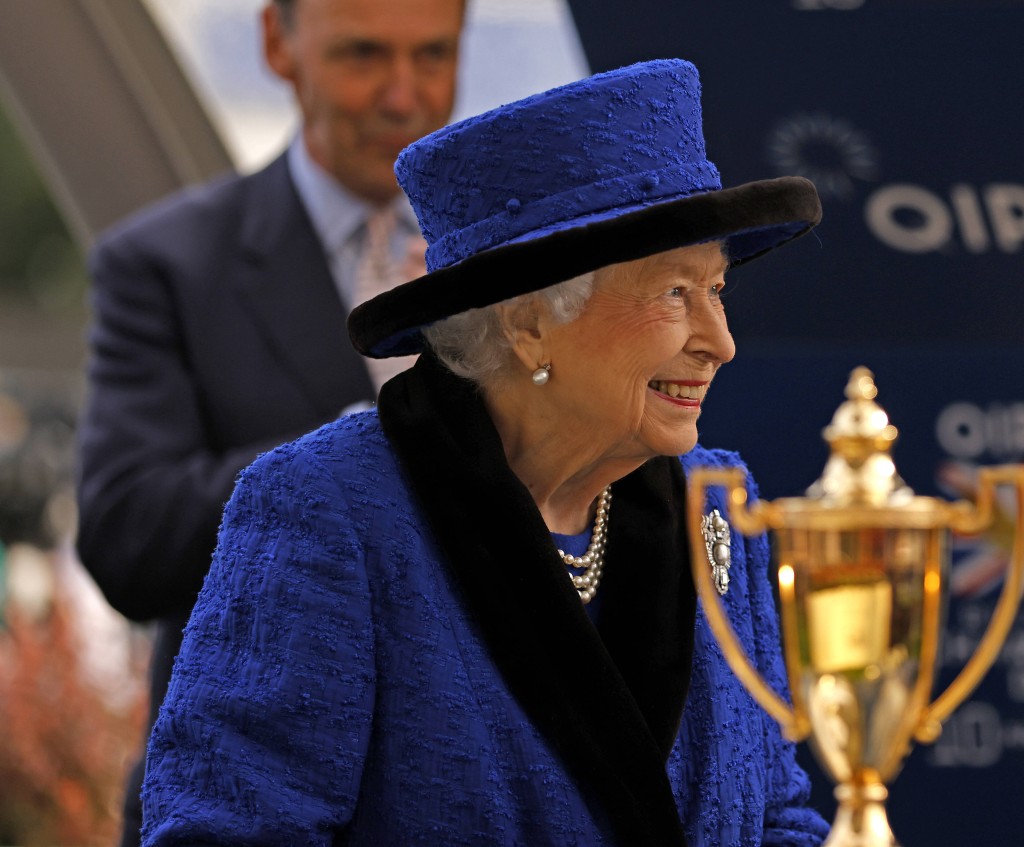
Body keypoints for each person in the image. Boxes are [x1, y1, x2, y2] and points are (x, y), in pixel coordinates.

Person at [141, 59, 828, 846]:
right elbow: (225, 833)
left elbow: (777, 815)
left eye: (718, 290)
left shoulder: (719, 504)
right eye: (674, 293)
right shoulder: (331, 512)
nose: (721, 342)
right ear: (529, 323)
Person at [73, 1, 466, 843]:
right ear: (276, 43)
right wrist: (373, 440)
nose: (406, 95)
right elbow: (126, 537)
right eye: (365, 55)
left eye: (433, 55)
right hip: (248, 802)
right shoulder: (164, 266)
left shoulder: (515, 266)